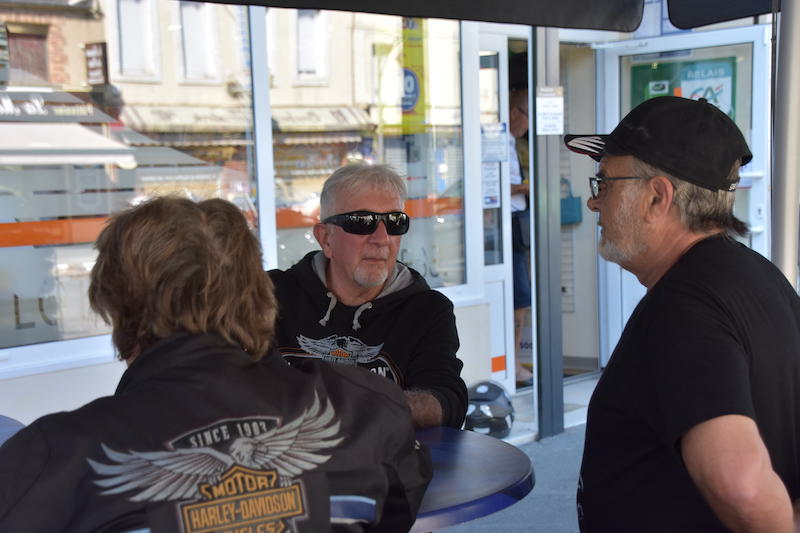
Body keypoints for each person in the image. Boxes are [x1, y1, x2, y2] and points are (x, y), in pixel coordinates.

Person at [0, 197, 431, 533]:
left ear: (116, 304)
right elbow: (395, 514)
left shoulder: (54, 457)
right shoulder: (366, 411)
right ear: (258, 292)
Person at [565, 96, 800, 532]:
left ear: (658, 197)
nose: (594, 203)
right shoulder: (759, 276)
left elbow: (741, 486)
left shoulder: (684, 308)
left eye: (605, 184)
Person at [269, 164, 468, 429]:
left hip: (384, 455)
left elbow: (447, 401)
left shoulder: (427, 310)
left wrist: (359, 406)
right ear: (325, 238)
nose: (382, 238)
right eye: (362, 222)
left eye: (395, 222)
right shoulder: (268, 296)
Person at [508, 88, 534, 387]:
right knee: (519, 297)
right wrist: (526, 187)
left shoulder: (516, 144)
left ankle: (514, 363)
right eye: (528, 116)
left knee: (521, 297)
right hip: (506, 226)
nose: (529, 125)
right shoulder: (500, 141)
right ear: (515, 112)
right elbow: (493, 187)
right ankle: (513, 365)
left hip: (517, 224)